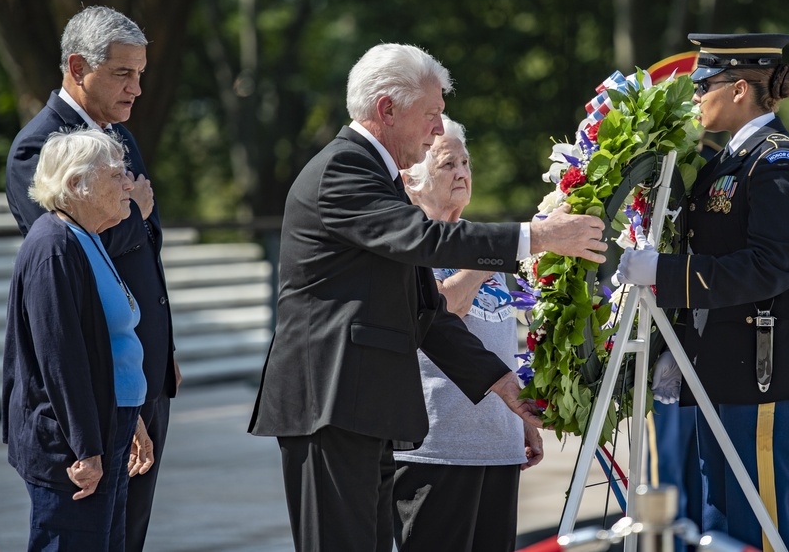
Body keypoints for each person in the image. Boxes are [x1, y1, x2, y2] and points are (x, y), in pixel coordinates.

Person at [248, 42, 607, 552]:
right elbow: (429, 241)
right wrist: (541, 237)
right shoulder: (344, 169)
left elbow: (425, 311)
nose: (439, 128)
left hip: (362, 408)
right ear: (386, 109)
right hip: (329, 402)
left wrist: (502, 384)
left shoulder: (378, 176)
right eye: (432, 114)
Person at [617, 33, 789, 551]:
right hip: (726, 371)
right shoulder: (725, 162)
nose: (695, 97)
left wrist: (666, 274)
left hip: (766, 372)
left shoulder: (777, 162)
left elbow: (771, 265)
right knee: (725, 529)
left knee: (759, 529)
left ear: (739, 89)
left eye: (704, 85)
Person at [4, 5, 179, 552]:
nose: (137, 89)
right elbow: (69, 259)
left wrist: (161, 344)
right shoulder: (40, 148)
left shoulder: (120, 137)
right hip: (92, 390)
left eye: (141, 73)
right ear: (78, 67)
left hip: (137, 370)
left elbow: (143, 249)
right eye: (123, 74)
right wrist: (138, 215)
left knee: (129, 532)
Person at [390, 116, 542, 552]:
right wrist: (490, 256)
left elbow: (498, 341)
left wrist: (520, 423)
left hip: (496, 447)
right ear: (412, 181)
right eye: (446, 164)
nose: (462, 172)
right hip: (436, 450)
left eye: (466, 162)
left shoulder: (475, 239)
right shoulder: (408, 243)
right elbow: (444, 309)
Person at [2, 129, 153, 551]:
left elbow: (107, 341)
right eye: (117, 175)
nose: (130, 183)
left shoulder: (86, 237)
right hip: (72, 441)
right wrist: (86, 449)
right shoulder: (54, 247)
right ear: (75, 185)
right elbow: (60, 359)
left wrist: (133, 415)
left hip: (108, 422)